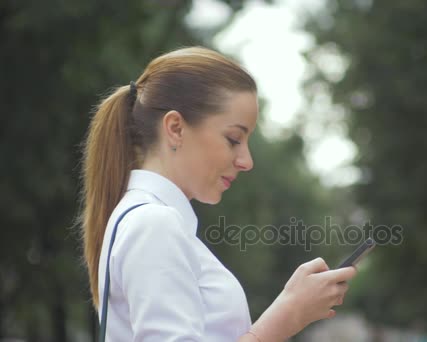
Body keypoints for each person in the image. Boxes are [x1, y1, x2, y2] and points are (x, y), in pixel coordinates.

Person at [79, 46, 357, 341]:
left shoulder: (147, 220)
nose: (246, 161)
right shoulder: (153, 224)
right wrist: (287, 315)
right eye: (233, 139)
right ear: (175, 128)